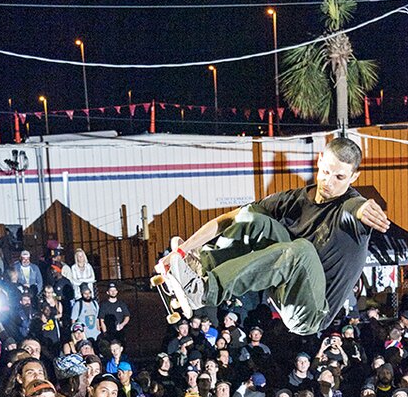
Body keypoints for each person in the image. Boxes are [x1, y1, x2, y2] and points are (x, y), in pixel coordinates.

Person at [157, 136, 390, 335]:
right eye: (326, 172)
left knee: (301, 250)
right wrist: (182, 250)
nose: (328, 183)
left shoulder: (349, 207)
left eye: (339, 178)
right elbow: (227, 219)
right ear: (319, 161)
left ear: (353, 178)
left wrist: (365, 208)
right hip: (283, 287)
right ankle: (200, 270)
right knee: (252, 216)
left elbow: (357, 208)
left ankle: (204, 291)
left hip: (311, 312)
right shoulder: (292, 199)